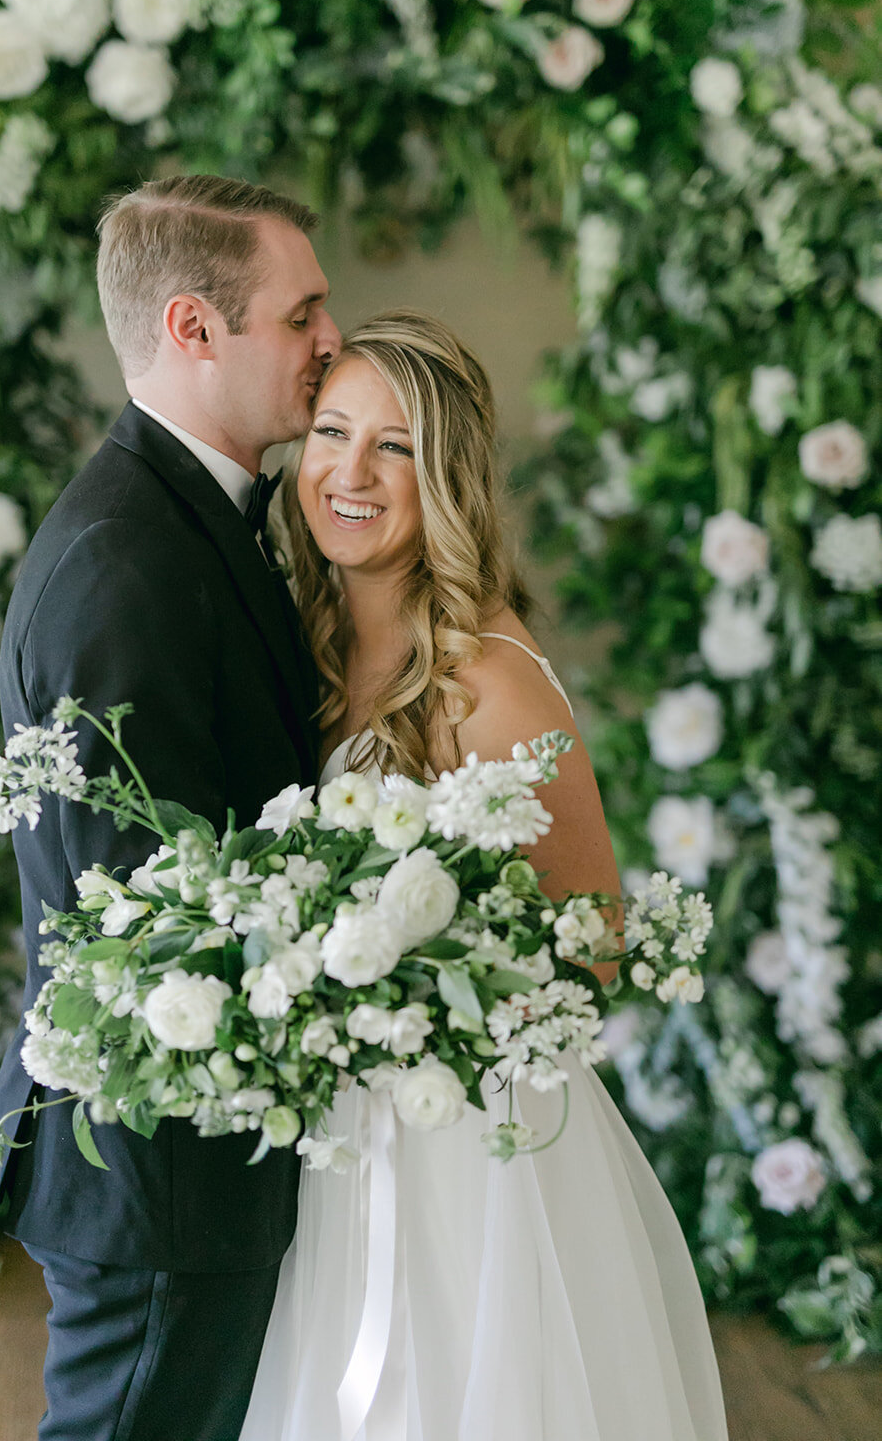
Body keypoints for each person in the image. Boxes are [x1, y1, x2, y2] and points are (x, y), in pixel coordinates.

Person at [240, 310, 729, 1440]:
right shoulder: (304, 636)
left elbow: (593, 938)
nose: (348, 473)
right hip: (337, 1134)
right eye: (329, 432)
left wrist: (413, 991)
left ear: (446, 474)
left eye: (394, 447)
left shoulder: (492, 684)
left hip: (471, 1156)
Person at [0, 174, 340, 1441]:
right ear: (195, 329)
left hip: (195, 1163)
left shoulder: (194, 519)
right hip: (159, 1167)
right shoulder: (124, 562)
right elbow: (131, 905)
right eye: (301, 316)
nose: (329, 344)